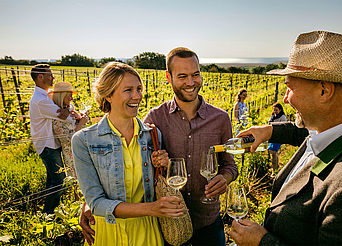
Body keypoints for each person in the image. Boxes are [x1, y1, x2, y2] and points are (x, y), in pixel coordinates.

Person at [79, 48, 238, 246]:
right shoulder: (154, 120)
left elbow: (230, 165)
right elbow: (126, 166)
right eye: (182, 76)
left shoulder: (221, 119)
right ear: (168, 77)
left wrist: (225, 178)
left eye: (195, 75)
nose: (190, 82)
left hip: (208, 222)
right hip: (167, 225)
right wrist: (89, 203)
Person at [229, 30, 342, 245]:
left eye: (290, 88)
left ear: (324, 91)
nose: (285, 99)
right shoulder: (336, 127)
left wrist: (262, 242)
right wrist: (269, 130)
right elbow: (303, 131)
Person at [71, 62, 184, 246]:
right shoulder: (84, 141)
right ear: (108, 95)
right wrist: (152, 209)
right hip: (108, 231)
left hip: (148, 232)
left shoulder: (152, 135)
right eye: (128, 90)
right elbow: (96, 203)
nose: (137, 96)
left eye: (139, 89)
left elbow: (161, 182)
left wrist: (165, 165)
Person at [29, 64, 70, 214]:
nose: (53, 77)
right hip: (47, 146)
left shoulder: (47, 95)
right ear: (40, 77)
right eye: (50, 74)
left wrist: (66, 107)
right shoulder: (41, 100)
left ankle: (48, 215)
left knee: (53, 180)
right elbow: (65, 116)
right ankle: (48, 214)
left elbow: (64, 109)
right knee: (60, 181)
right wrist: (68, 109)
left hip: (51, 143)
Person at [49, 82, 88, 178]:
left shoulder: (68, 109)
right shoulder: (57, 116)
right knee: (77, 180)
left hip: (81, 151)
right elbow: (68, 140)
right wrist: (81, 123)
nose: (72, 98)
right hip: (72, 155)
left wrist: (79, 118)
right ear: (61, 97)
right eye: (69, 96)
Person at [267, 102, 287, 171]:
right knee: (272, 152)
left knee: (273, 152)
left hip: (278, 137)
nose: (275, 111)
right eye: (274, 110)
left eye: (276, 110)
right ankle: (276, 168)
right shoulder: (273, 117)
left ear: (280, 110)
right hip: (272, 136)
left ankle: (274, 169)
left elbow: (284, 128)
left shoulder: (283, 118)